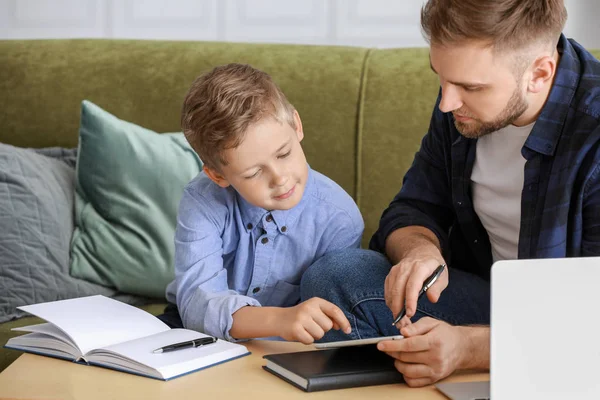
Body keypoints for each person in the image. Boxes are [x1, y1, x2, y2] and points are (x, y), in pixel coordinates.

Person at [301, 0, 600, 387]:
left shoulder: (591, 135)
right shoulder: (458, 107)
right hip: (485, 300)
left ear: (539, 72)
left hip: (571, 324)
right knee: (336, 275)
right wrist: (421, 251)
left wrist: (470, 348)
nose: (446, 102)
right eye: (441, 79)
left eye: (470, 87)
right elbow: (412, 207)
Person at [161, 63, 363, 344]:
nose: (280, 178)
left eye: (284, 154)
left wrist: (287, 325)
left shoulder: (339, 217)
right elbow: (198, 305)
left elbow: (329, 310)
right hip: (192, 327)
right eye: (254, 173)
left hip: (285, 342)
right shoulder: (202, 201)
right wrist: (278, 319)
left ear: (297, 125)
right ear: (218, 175)